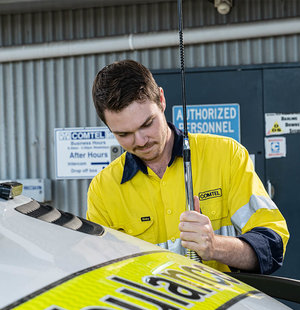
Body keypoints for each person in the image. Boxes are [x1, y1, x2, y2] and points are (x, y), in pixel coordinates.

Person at [87, 59, 289, 274]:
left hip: (223, 304)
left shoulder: (225, 155)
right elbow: (104, 274)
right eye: (123, 134)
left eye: (147, 124)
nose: (140, 141)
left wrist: (215, 246)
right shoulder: (104, 189)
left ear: (161, 100)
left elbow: (272, 246)